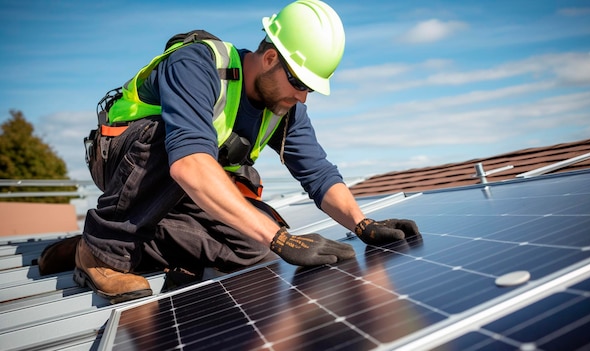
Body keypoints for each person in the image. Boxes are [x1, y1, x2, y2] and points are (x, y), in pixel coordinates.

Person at [46, 0, 420, 304]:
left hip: (180, 184)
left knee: (253, 247)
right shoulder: (197, 64)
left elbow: (318, 174)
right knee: (175, 144)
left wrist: (362, 223)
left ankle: (128, 244)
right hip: (126, 160)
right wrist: (280, 239)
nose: (302, 96)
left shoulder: (286, 108)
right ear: (271, 57)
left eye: (310, 88)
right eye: (298, 82)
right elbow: (191, 166)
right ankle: (101, 248)